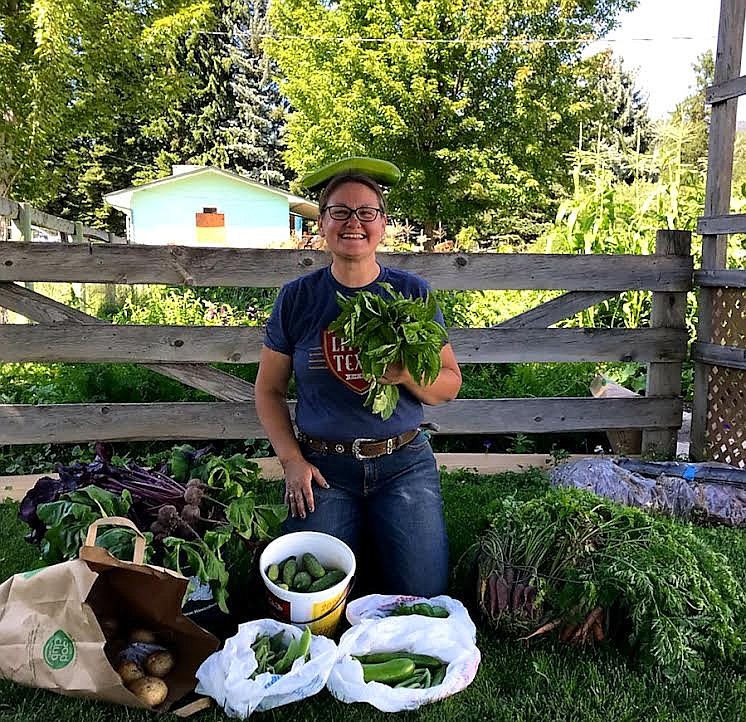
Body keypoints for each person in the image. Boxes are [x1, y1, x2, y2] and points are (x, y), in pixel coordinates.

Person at [254, 158, 462, 597]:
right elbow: (269, 390)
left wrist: (405, 373)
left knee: (421, 595)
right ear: (322, 223)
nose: (354, 222)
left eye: (367, 212)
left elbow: (449, 384)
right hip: (324, 468)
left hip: (403, 465)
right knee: (311, 598)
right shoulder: (297, 298)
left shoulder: (410, 293)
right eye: (340, 212)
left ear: (382, 225)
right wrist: (292, 461)